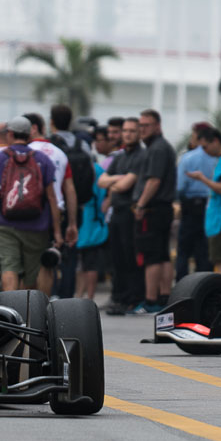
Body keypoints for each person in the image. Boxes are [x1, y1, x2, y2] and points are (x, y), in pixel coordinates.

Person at [0, 116, 62, 292]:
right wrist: (57, 230)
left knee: (9, 267)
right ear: (30, 135)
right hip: (37, 225)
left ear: (10, 134)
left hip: (5, 224)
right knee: (33, 273)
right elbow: (52, 198)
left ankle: (12, 311)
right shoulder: (43, 160)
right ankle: (32, 311)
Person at [125, 109, 177, 314]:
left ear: (158, 126)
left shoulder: (157, 148)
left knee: (152, 256)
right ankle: (164, 297)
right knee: (162, 254)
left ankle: (151, 300)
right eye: (141, 126)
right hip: (161, 209)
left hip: (153, 209)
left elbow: (154, 180)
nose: (142, 129)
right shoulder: (161, 147)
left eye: (146, 125)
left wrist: (141, 205)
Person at [25, 112, 78, 294]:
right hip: (55, 213)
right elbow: (69, 190)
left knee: (25, 262)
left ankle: (24, 306)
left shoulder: (22, 152)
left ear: (32, 129)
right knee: (46, 262)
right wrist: (72, 223)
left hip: (24, 213)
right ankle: (43, 306)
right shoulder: (60, 153)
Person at [97, 118, 145, 314]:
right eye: (125, 131)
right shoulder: (120, 156)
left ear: (139, 133)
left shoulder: (142, 156)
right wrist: (117, 180)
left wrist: (113, 182)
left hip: (130, 212)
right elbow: (101, 181)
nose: (127, 134)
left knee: (129, 257)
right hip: (116, 212)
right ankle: (118, 297)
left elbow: (126, 185)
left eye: (132, 131)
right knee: (115, 258)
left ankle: (132, 299)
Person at [184, 127, 221, 279]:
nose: (204, 151)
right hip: (220, 219)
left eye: (205, 147)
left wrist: (202, 178)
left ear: (216, 141)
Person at [174, 122, 216, 280]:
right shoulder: (217, 157)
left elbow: (180, 185)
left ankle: (182, 285)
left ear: (200, 137)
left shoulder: (188, 157)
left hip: (190, 204)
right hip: (210, 205)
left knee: (184, 249)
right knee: (204, 249)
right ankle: (204, 284)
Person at [75, 128, 110, 300]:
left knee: (82, 264)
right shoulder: (98, 169)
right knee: (91, 263)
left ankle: (80, 295)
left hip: (82, 219)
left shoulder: (77, 167)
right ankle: (89, 297)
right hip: (94, 220)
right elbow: (107, 193)